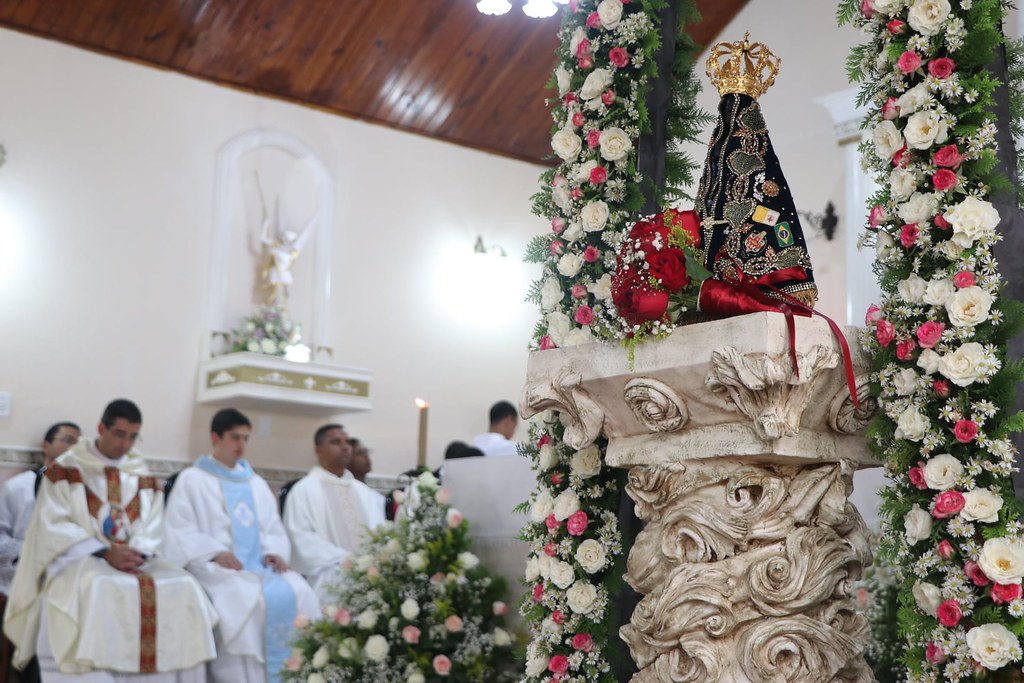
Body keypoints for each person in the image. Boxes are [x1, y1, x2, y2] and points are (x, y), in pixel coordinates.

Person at [3, 400, 218, 682]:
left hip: (133, 560)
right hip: (78, 560)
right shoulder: (67, 469)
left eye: (133, 436)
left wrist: (135, 553)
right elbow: (52, 526)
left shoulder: (139, 472)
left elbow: (153, 523)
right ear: (101, 428)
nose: (125, 444)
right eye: (119, 434)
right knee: (99, 586)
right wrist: (104, 551)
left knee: (185, 585)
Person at [164, 408, 317, 683]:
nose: (241, 445)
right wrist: (214, 552)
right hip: (217, 567)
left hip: (259, 565)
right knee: (243, 599)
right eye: (235, 437)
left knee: (301, 590)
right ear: (215, 437)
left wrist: (275, 553)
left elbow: (272, 527)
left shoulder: (255, 483)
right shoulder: (192, 479)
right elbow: (179, 529)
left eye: (246, 438)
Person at [0, 422, 80, 683]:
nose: (73, 448)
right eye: (67, 440)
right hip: (21, 580)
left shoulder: (82, 492)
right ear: (46, 446)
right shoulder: (18, 487)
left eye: (78, 443)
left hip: (70, 582)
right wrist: (35, 553)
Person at [283, 425, 385, 601]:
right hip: (330, 573)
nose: (345, 447)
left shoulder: (367, 494)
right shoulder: (303, 490)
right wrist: (346, 559)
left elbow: (381, 533)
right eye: (336, 442)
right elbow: (300, 538)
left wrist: (371, 560)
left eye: (346, 442)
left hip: (372, 571)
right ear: (318, 449)